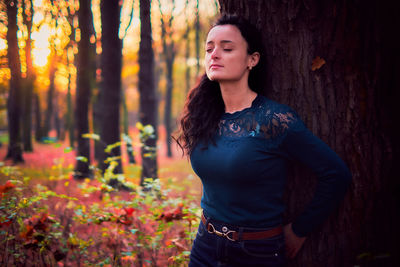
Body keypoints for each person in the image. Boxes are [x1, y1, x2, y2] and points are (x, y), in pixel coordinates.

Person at [175, 14, 352, 267]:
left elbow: (336, 174)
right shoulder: (204, 115)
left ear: (252, 59)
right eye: (209, 48)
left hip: (256, 252)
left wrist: (300, 229)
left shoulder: (274, 119)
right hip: (205, 244)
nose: (214, 54)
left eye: (227, 48)